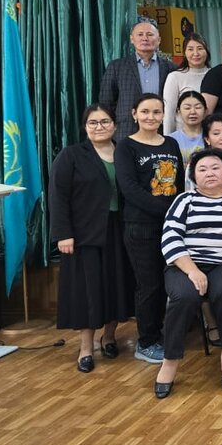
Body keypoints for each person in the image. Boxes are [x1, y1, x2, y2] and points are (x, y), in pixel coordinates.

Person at [152, 148, 222, 399]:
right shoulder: (184, 200)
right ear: (193, 176)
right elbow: (170, 238)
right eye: (202, 170)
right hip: (185, 264)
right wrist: (193, 271)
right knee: (184, 297)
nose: (210, 173)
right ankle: (170, 361)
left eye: (216, 167)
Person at [50, 105, 134, 373]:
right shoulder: (72, 155)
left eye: (105, 121)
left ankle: (109, 336)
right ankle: (86, 348)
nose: (99, 127)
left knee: (117, 285)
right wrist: (64, 233)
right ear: (85, 127)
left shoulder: (124, 152)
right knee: (88, 290)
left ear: (115, 125)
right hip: (84, 233)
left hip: (120, 229)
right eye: (93, 123)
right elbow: (58, 196)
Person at [114, 93, 185, 365]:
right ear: (134, 114)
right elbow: (129, 189)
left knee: (167, 284)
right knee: (149, 285)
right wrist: (167, 211)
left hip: (170, 227)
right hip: (140, 226)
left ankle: (160, 334)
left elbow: (178, 183)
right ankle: (146, 342)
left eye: (156, 112)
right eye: (145, 112)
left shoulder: (171, 143)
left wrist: (176, 213)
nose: (151, 117)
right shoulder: (126, 147)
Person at [99, 19, 176, 140]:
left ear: (159, 40)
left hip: (160, 131)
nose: (145, 38)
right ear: (131, 39)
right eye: (140, 34)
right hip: (125, 131)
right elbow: (106, 102)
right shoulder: (117, 67)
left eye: (150, 34)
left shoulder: (171, 68)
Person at [162, 32, 210, 134]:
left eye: (200, 48)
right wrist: (168, 140)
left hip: (210, 135)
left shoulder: (214, 74)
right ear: (184, 53)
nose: (196, 53)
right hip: (183, 137)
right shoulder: (175, 76)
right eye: (190, 49)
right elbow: (169, 113)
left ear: (207, 51)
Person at [168, 90, 206, 168]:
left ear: (205, 111)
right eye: (187, 108)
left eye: (198, 107)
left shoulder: (212, 137)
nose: (193, 111)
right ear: (178, 112)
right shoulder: (170, 140)